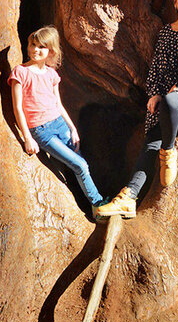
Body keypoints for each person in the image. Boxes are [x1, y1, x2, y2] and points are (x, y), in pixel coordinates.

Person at [96, 0, 178, 219]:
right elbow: (157, 69)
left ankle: (168, 152)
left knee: (170, 103)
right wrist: (154, 94)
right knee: (150, 141)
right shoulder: (167, 32)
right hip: (165, 93)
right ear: (175, 3)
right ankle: (128, 197)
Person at [9, 26, 106, 218]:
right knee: (80, 165)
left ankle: (92, 202)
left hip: (60, 124)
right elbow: (17, 108)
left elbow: (58, 103)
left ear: (50, 51)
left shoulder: (51, 74)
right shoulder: (20, 72)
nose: (35, 50)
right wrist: (27, 138)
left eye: (41, 47)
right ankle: (98, 206)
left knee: (81, 163)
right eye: (33, 45)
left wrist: (72, 128)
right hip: (41, 131)